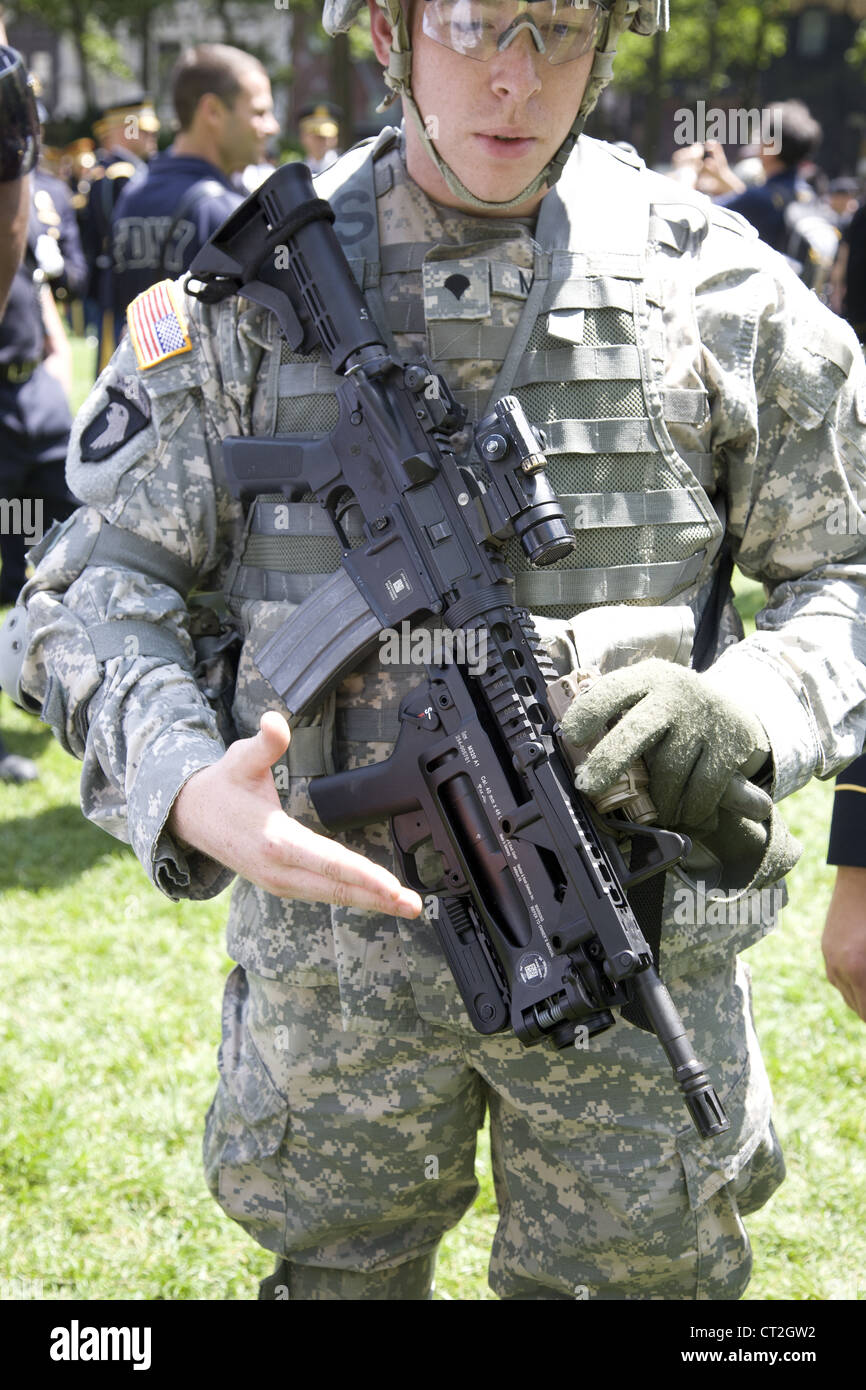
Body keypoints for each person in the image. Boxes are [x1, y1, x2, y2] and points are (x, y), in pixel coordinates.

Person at [3, 0, 866, 1301]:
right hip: (337, 977)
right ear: (388, 32)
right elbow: (84, 588)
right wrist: (182, 777)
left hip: (622, 953)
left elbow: (845, 570)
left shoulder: (718, 290)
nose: (514, 78)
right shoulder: (245, 300)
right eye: (473, 25)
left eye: (559, 30)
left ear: (615, 40)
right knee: (339, 1275)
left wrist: (745, 707)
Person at [110, 45, 279, 327]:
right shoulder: (229, 213)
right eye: (259, 112)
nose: (272, 127)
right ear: (212, 111)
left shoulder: (131, 196)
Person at [78, 98, 161, 372]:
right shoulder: (119, 176)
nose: (152, 137)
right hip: (123, 285)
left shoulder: (134, 172)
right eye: (145, 130)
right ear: (128, 129)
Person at [297, 100, 342, 175]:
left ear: (335, 138)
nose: (321, 140)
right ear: (303, 136)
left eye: (327, 134)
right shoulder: (297, 172)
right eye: (315, 135)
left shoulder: (346, 168)